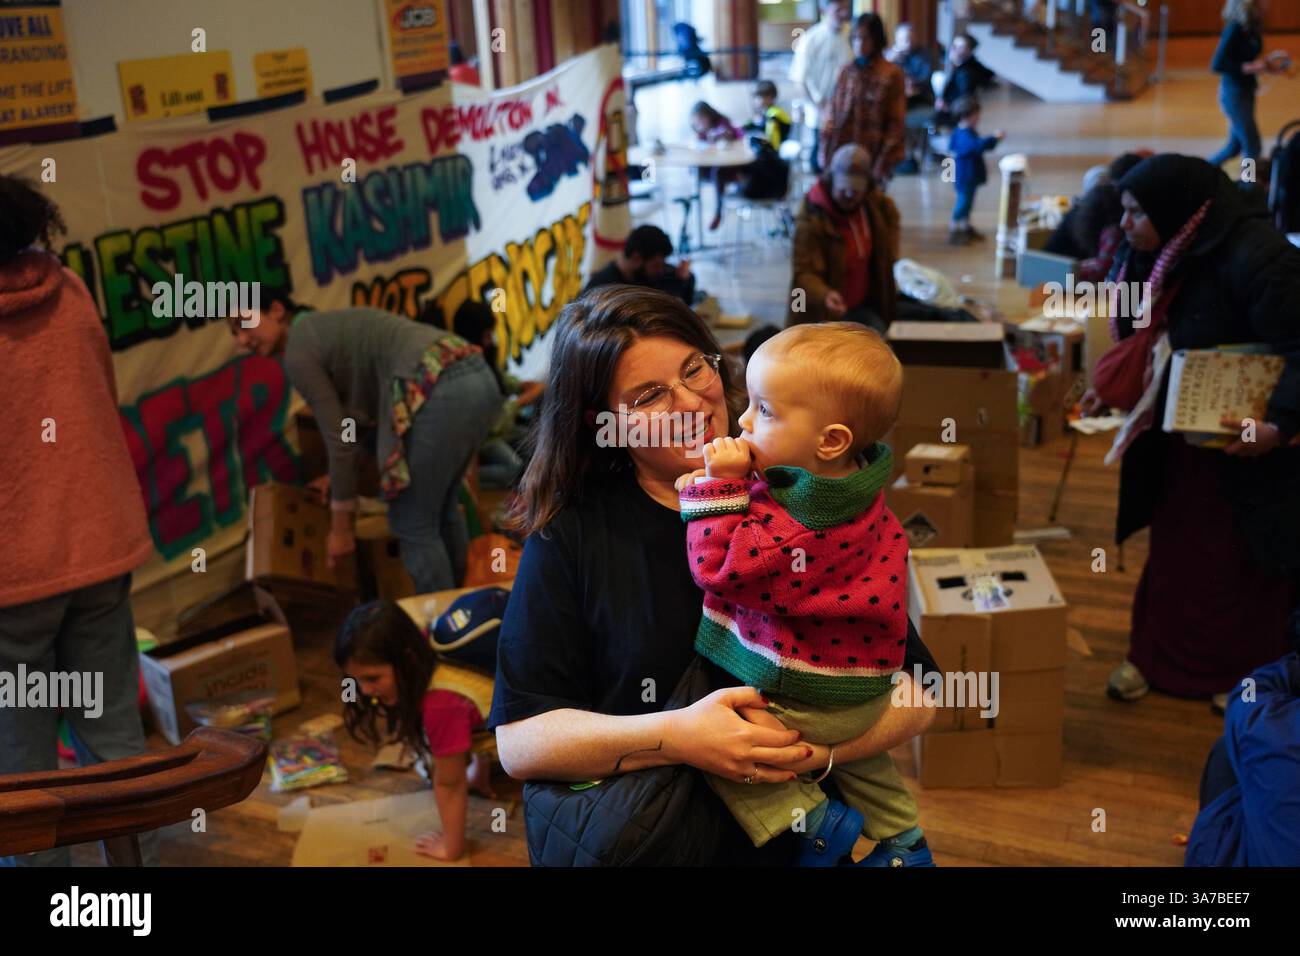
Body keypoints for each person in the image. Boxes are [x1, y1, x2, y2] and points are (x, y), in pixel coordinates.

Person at [488, 285, 941, 866]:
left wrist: (812, 752)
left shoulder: (802, 494)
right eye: (650, 394)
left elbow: (920, 691)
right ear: (605, 424)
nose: (692, 404)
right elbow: (520, 743)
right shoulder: (572, 535)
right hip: (658, 844)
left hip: (807, 848)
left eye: (694, 369)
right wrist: (676, 736)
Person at [674, 323, 933, 867]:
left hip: (803, 694)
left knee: (726, 750)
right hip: (861, 694)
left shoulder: (797, 530)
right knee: (868, 766)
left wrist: (715, 489)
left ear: (830, 440)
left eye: (765, 411)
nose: (743, 420)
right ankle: (905, 841)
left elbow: (718, 565)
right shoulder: (855, 485)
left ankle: (816, 823)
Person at [1076, 155, 1300, 707]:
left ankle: (1242, 677)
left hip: (1249, 447)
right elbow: (1144, 336)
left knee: (1240, 565)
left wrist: (1278, 424)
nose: (1123, 225)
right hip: (1183, 435)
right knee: (1177, 552)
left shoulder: (1261, 257)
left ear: (1173, 211)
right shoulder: (1157, 250)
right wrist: (1112, 387)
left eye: (1134, 213)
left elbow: (1299, 349)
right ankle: (1153, 659)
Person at [0, 175, 157, 867]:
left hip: (14, 575)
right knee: (113, 736)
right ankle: (130, 890)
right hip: (99, 542)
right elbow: (102, 394)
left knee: (21, 768)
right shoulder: (70, 290)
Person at [230, 299, 500, 594]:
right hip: (478, 378)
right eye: (235, 334)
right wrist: (338, 479)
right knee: (440, 510)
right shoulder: (325, 327)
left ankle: (446, 628)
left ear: (276, 310)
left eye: (243, 324)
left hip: (441, 389)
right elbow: (350, 430)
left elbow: (338, 438)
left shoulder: (298, 349)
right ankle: (465, 616)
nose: (242, 340)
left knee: (412, 522)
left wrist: (341, 528)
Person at [335, 600, 497, 862]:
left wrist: (452, 846)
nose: (364, 691)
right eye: (356, 681)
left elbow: (450, 783)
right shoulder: (422, 643)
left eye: (373, 678)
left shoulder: (439, 704)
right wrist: (478, 771)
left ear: (406, 659)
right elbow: (480, 709)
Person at [788, 144, 900, 332]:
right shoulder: (811, 219)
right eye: (844, 188)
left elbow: (890, 245)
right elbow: (803, 274)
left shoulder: (879, 208)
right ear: (832, 180)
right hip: (826, 315)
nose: (849, 195)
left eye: (856, 190)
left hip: (868, 304)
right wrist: (825, 295)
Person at [446, 299, 544, 491]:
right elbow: (490, 422)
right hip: (484, 438)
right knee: (513, 468)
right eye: (487, 335)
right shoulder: (462, 368)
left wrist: (522, 388)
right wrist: (521, 401)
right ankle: (456, 481)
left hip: (501, 430)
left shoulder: (484, 358)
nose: (491, 340)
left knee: (540, 443)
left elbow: (504, 382)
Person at [818, 13, 907, 184]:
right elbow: (833, 108)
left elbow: (896, 122)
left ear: (876, 39)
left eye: (865, 38)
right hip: (842, 149)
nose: (859, 44)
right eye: (856, 38)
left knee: (870, 206)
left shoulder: (891, 74)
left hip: (873, 152)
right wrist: (826, 132)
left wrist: (883, 162)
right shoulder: (846, 71)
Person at [1208, 0, 1291, 172]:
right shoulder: (1235, 28)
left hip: (1246, 91)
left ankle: (1203, 169)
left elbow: (1246, 59)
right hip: (1233, 94)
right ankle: (1248, 187)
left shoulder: (1251, 27)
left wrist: (1268, 67)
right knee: (1253, 146)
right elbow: (1217, 64)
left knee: (1235, 146)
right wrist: (1251, 67)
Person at [788, 0, 853, 175]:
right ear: (824, 9)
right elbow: (799, 80)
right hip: (820, 110)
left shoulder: (852, 35)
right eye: (839, 9)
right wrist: (821, 107)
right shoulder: (811, 39)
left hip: (847, 111)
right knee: (821, 160)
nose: (843, 14)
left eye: (846, 9)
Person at [583, 224, 696, 304]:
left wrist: (685, 278)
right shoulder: (602, 290)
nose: (661, 270)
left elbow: (684, 298)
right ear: (636, 258)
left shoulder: (645, 273)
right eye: (656, 265)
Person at [946, 96, 1005, 245]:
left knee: (968, 202)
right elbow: (975, 146)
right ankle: (954, 228)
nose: (979, 118)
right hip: (964, 175)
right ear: (967, 116)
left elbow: (979, 146)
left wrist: (993, 140)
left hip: (969, 175)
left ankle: (965, 227)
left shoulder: (967, 132)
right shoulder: (963, 134)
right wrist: (993, 137)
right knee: (963, 202)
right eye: (976, 115)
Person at [885, 22, 936, 175]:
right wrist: (891, 59)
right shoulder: (891, 56)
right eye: (903, 39)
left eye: (910, 38)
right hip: (898, 102)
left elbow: (923, 80)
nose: (907, 42)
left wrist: (909, 81)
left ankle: (907, 155)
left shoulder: (924, 55)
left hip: (919, 102)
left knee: (899, 119)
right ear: (896, 40)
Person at [689, 101, 743, 231]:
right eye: (697, 120)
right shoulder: (702, 130)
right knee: (695, 168)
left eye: (702, 119)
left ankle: (718, 211)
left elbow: (727, 134)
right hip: (712, 166)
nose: (700, 123)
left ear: (709, 116)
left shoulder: (722, 123)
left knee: (717, 172)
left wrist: (713, 136)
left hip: (731, 166)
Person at [934, 33, 996, 129]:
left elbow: (965, 100)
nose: (954, 50)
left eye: (960, 47)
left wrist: (947, 107)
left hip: (956, 114)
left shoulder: (965, 73)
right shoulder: (964, 67)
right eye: (954, 46)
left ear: (969, 51)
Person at [744, 80, 793, 149]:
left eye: (758, 97)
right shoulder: (769, 111)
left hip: (778, 151)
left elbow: (772, 139)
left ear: (769, 97)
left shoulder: (774, 114)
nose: (756, 100)